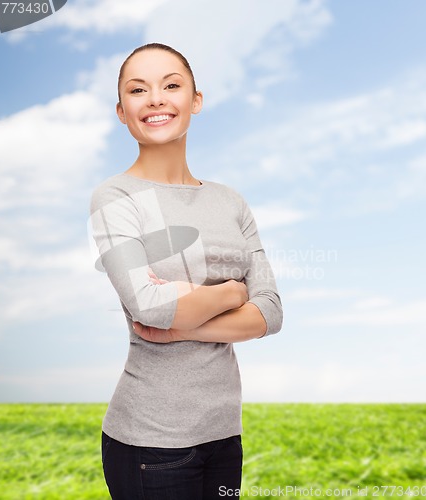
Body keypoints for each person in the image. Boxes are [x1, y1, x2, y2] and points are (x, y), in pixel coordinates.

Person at [89, 42, 283, 500]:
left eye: (171, 85)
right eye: (139, 90)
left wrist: (183, 328)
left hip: (223, 434)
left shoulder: (230, 201)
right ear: (122, 111)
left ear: (195, 100)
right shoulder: (114, 198)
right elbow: (152, 308)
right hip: (149, 443)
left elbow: (271, 313)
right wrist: (233, 293)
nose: (155, 98)